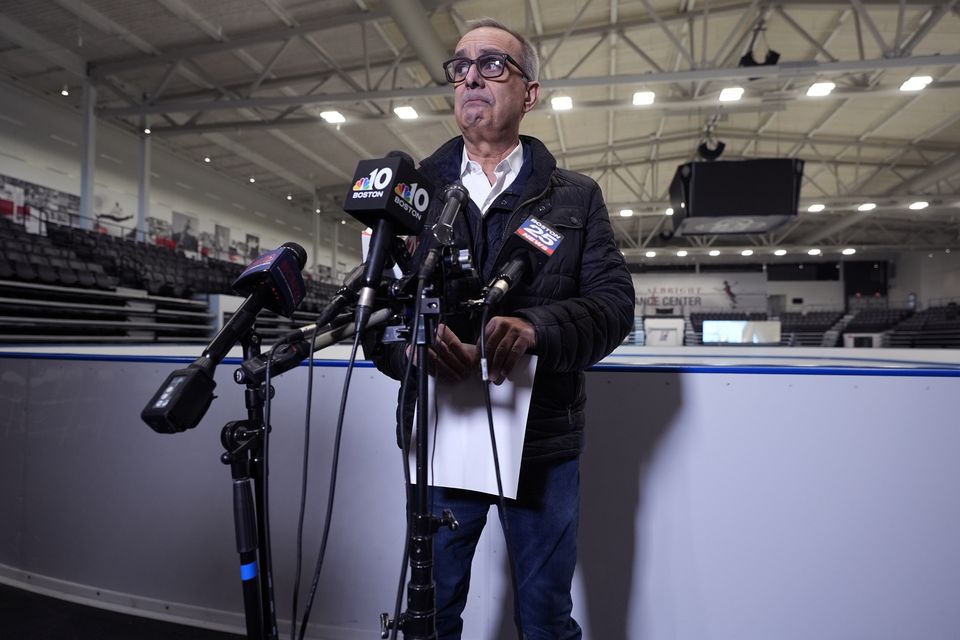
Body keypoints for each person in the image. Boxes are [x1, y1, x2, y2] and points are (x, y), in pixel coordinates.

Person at [367, 17, 635, 640]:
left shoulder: (575, 198)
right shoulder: (410, 193)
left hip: (543, 445)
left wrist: (535, 329)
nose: (471, 77)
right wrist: (410, 345)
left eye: (492, 64)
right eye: (460, 66)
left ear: (529, 93)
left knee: (545, 617)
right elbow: (373, 312)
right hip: (440, 437)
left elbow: (614, 305)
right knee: (428, 613)